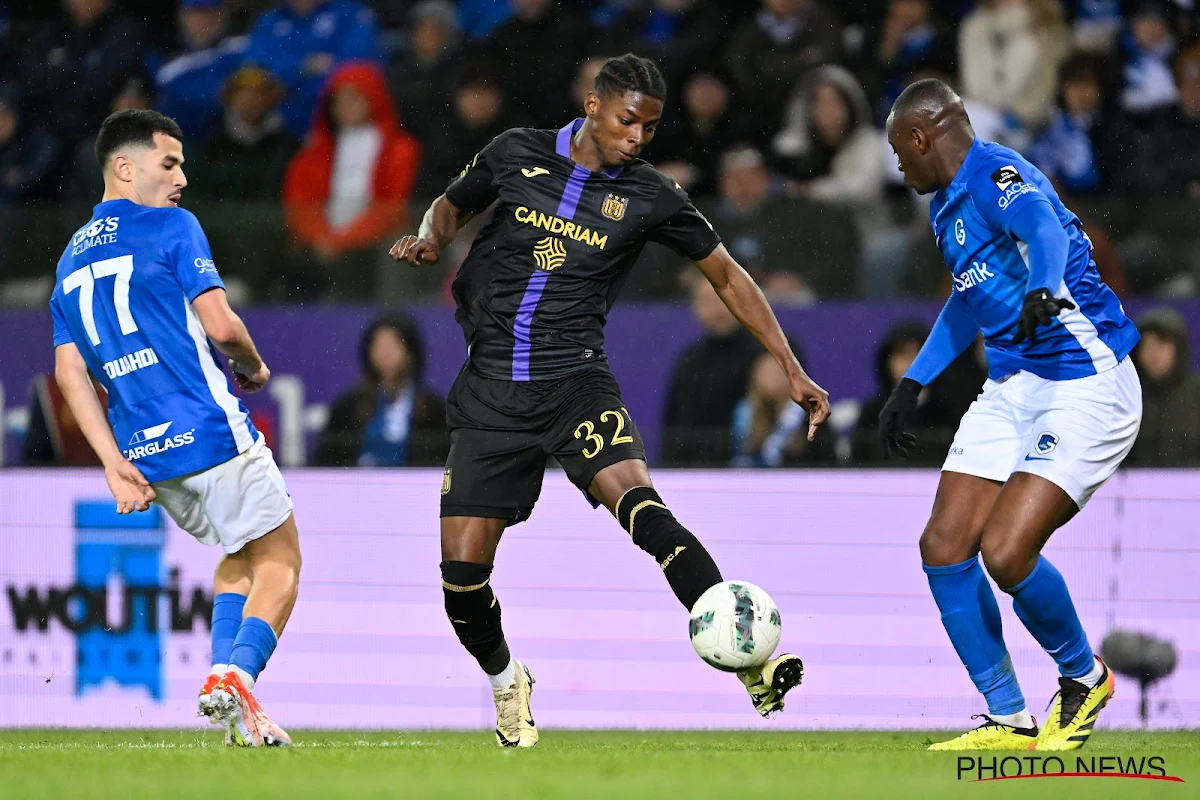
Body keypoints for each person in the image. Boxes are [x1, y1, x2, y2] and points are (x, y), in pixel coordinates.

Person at [390, 54, 829, 747]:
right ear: (593, 105)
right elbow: (452, 204)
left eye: (650, 129)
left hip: (576, 382)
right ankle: (509, 682)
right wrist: (429, 238)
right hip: (493, 394)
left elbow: (727, 275)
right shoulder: (515, 152)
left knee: (644, 509)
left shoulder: (651, 195)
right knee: (462, 580)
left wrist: (790, 364)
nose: (638, 140)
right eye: (629, 122)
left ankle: (753, 663)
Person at [880, 79, 1141, 751]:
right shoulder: (945, 209)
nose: (897, 167)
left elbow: (1043, 229)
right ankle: (1008, 717)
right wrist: (913, 383)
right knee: (943, 545)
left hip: (1086, 380)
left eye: (898, 152)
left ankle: (1085, 677)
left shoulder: (998, 172)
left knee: (1006, 550)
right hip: (1013, 386)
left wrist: (1048, 288)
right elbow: (968, 297)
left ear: (920, 136)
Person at [48, 109, 302, 747]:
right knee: (280, 560)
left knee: (237, 555)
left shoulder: (68, 261)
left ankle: (225, 682)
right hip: (209, 430)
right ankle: (238, 675)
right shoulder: (171, 226)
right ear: (125, 168)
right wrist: (254, 366)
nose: (183, 177)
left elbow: (69, 375)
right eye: (170, 163)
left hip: (147, 457)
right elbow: (221, 327)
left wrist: (111, 462)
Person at [314, 315, 448, 466]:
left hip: (412, 487)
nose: (385, 352)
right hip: (358, 487)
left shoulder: (430, 407)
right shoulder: (349, 405)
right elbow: (327, 458)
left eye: (393, 344)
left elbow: (444, 461)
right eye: (378, 344)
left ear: (410, 351)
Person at [1127, 307, 1200, 465]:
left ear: (1178, 348)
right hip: (1136, 488)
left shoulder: (1196, 394)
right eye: (1147, 345)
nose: (1154, 353)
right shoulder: (1126, 397)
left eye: (1162, 343)